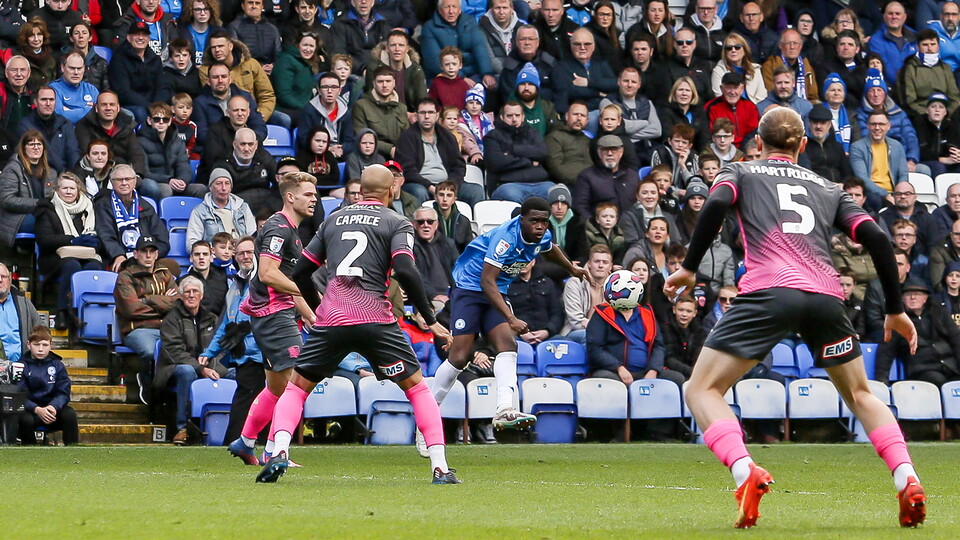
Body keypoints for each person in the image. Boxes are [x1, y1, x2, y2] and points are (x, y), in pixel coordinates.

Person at [664, 107, 925, 528]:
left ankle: (745, 471)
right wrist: (895, 309)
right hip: (825, 297)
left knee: (701, 389)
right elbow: (876, 237)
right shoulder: (829, 187)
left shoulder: (743, 172)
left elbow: (715, 202)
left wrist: (691, 266)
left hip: (770, 291)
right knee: (861, 395)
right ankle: (906, 477)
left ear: (758, 144)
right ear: (803, 146)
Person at [254, 164, 458, 484]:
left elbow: (301, 274)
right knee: (418, 390)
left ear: (360, 190)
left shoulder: (332, 220)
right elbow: (405, 270)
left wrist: (320, 307)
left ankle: (279, 449)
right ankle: (440, 467)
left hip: (332, 319)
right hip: (376, 318)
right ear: (391, 190)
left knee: (296, 388)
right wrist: (429, 319)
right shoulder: (396, 222)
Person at [423, 197, 587, 450]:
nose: (540, 226)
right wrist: (510, 317)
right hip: (470, 288)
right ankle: (427, 419)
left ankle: (504, 408)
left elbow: (549, 246)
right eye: (534, 221)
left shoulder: (540, 234)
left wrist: (571, 268)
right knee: (459, 356)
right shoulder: (505, 239)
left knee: (508, 345)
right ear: (521, 219)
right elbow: (486, 281)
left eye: (544, 221)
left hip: (496, 292)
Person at [227, 172, 317, 467]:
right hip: (274, 316)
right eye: (307, 194)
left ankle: (246, 441)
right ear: (290, 197)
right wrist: (307, 291)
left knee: (277, 388)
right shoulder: (278, 228)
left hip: (279, 314)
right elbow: (267, 274)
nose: (314, 199)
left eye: (315, 194)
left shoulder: (292, 230)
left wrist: (314, 316)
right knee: (296, 385)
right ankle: (275, 451)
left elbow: (290, 284)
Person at [198, 235, 261, 442]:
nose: (245, 256)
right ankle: (245, 443)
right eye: (241, 253)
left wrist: (249, 329)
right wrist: (209, 353)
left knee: (247, 402)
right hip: (243, 355)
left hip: (262, 355)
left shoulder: (265, 280)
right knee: (248, 401)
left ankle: (236, 442)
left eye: (249, 252)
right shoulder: (234, 286)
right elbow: (226, 325)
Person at [155, 276, 222, 444]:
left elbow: (220, 347)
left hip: (207, 366)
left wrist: (211, 366)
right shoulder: (172, 319)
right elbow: (174, 352)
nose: (191, 295)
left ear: (201, 295)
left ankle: (229, 428)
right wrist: (201, 369)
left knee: (237, 373)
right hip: (173, 368)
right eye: (187, 292)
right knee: (187, 371)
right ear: (181, 295)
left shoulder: (212, 318)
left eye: (195, 291)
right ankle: (182, 428)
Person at [114, 235, 178, 403]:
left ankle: (165, 391)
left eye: (152, 252)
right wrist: (162, 302)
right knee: (151, 352)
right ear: (135, 254)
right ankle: (147, 381)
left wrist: (148, 299)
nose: (148, 256)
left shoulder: (164, 273)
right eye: (144, 252)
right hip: (137, 329)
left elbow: (178, 304)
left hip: (166, 328)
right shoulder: (126, 276)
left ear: (157, 254)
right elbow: (131, 309)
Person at [34, 172, 102, 330]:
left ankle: (84, 313)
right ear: (57, 190)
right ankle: (62, 312)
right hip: (53, 257)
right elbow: (44, 241)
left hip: (85, 255)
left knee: (94, 267)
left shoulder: (88, 208)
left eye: (72, 188)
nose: (69, 191)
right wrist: (72, 240)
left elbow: (97, 236)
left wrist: (93, 242)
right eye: (64, 188)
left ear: (79, 191)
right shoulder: (46, 209)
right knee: (72, 265)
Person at [876, 278, 960, 387]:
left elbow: (956, 339)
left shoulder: (938, 312)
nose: (913, 298)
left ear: (925, 298)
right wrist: (881, 382)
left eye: (917, 294)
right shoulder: (897, 321)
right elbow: (885, 352)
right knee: (939, 381)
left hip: (950, 366)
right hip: (922, 370)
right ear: (902, 299)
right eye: (908, 294)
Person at [395, 98, 478, 206]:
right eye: (422, 113)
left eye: (430, 112)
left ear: (437, 115)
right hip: (420, 185)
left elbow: (458, 166)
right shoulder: (407, 137)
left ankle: (462, 223)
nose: (427, 116)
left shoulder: (447, 136)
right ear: (416, 116)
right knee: (419, 192)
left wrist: (450, 186)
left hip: (447, 185)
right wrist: (429, 186)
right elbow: (407, 170)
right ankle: (421, 222)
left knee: (475, 191)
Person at [94, 164, 170, 271]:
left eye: (128, 179)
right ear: (112, 182)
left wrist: (149, 255)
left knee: (172, 266)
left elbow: (162, 238)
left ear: (135, 181)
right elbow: (105, 235)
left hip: (147, 257)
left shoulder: (145, 206)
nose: (124, 183)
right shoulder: (103, 204)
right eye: (119, 180)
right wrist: (118, 255)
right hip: (119, 257)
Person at [17, 325, 77, 445]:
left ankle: (73, 450)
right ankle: (29, 450)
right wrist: (37, 409)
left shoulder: (58, 365)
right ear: (29, 344)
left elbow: (63, 392)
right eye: (36, 344)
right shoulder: (20, 366)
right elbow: (19, 394)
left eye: (44, 345)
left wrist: (54, 407)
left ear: (50, 345)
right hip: (31, 412)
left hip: (52, 412)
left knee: (69, 414)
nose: (40, 349)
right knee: (23, 418)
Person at [199, 32, 276, 122]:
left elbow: (266, 94)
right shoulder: (205, 70)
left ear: (230, 46)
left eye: (221, 46)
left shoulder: (251, 64)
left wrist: (259, 116)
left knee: (283, 120)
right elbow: (212, 98)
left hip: (253, 112)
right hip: (222, 116)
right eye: (213, 47)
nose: (217, 50)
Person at [484, 101, 552, 203]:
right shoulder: (493, 136)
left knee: (558, 193)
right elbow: (497, 162)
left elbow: (542, 152)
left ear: (523, 117)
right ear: (502, 117)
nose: (514, 119)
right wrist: (529, 161)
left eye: (517, 115)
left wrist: (513, 150)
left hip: (540, 184)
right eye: (510, 116)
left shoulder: (532, 132)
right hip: (508, 185)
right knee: (512, 197)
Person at [0, 131, 58, 249]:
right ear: (23, 148)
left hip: (43, 215)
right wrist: (37, 203)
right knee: (49, 221)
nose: (36, 148)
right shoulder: (12, 169)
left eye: (39, 144)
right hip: (17, 218)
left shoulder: (51, 172)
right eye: (31, 144)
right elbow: (6, 199)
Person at [138, 102, 205, 200]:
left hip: (175, 183)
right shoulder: (140, 141)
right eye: (157, 119)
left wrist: (182, 181)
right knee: (166, 189)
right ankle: (162, 215)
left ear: (170, 121)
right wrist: (168, 180)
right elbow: (144, 172)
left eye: (165, 119)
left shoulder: (177, 142)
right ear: (149, 120)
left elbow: (184, 167)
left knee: (201, 189)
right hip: (156, 184)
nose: (161, 122)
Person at [421, 0, 495, 85]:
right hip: (445, 77)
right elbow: (433, 60)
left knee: (489, 87)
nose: (451, 11)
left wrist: (487, 73)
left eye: (454, 7)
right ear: (440, 10)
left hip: (472, 73)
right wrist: (461, 78)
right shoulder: (429, 28)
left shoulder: (470, 22)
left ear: (460, 9)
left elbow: (480, 48)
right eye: (447, 7)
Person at [75, 92, 147, 179]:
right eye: (104, 105)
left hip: (125, 175)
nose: (108, 108)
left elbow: (136, 154)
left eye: (112, 104)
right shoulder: (84, 125)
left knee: (151, 187)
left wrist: (136, 175)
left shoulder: (127, 124)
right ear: (96, 108)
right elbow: (85, 154)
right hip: (97, 175)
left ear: (118, 108)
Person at [850, 110, 909, 210]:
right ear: (867, 126)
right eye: (873, 124)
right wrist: (886, 195)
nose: (877, 128)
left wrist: (900, 194)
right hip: (872, 193)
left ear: (888, 126)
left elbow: (903, 174)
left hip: (894, 193)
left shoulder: (896, 146)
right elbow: (862, 178)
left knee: (920, 208)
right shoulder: (857, 147)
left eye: (881, 124)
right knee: (876, 202)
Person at [108, 21, 163, 125]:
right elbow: (124, 92)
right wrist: (149, 106)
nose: (141, 38)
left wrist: (158, 105)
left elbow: (162, 86)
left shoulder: (155, 59)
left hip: (152, 103)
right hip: (130, 105)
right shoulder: (118, 60)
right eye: (136, 34)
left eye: (144, 35)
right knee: (141, 113)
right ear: (129, 37)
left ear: (149, 39)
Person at [552, 28, 617, 115]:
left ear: (593, 46)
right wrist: (598, 93)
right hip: (580, 114)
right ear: (571, 46)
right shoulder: (561, 67)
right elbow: (569, 91)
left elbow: (614, 84)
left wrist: (588, 83)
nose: (582, 47)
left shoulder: (602, 64)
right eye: (577, 44)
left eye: (587, 44)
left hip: (605, 111)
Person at [352, 66, 409, 160]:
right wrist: (390, 149)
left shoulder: (401, 107)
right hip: (373, 156)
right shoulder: (361, 105)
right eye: (380, 81)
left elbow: (407, 136)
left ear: (394, 83)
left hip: (399, 155)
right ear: (374, 83)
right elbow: (361, 137)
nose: (384, 85)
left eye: (388, 81)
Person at [561, 245, 613, 345]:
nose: (600, 265)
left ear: (610, 266)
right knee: (590, 335)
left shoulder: (615, 287)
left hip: (605, 332)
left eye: (605, 262)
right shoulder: (574, 283)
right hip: (575, 333)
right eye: (596, 261)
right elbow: (576, 321)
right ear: (589, 264)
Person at [297, 72, 355, 158]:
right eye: (325, 87)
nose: (330, 91)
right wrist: (327, 149)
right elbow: (303, 139)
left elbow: (350, 141)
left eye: (334, 87)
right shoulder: (309, 110)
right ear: (319, 90)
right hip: (315, 153)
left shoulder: (346, 112)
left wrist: (340, 149)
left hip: (339, 153)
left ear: (339, 91)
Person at [328, 0, 390, 75]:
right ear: (353, 2)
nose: (363, 2)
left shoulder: (382, 23)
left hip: (378, 72)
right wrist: (362, 69)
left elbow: (387, 51)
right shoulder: (340, 24)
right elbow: (339, 53)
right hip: (351, 73)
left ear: (373, 2)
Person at [760, 29, 819, 104]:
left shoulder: (806, 66)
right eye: (788, 43)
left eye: (795, 43)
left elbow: (813, 96)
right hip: (779, 106)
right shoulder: (770, 65)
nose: (792, 47)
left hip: (804, 108)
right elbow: (771, 93)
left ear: (800, 46)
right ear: (780, 45)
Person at [704, 72, 759, 148]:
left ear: (742, 89)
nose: (732, 92)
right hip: (720, 150)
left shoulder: (750, 107)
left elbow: (753, 133)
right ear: (721, 89)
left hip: (746, 150)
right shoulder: (711, 107)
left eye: (735, 87)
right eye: (728, 87)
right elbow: (708, 135)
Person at [0, 262, 42, 362]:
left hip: (23, 365)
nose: (0, 280)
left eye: (3, 277)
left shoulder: (24, 303)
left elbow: (41, 329)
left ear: (10, 280)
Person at [544, 101, 592, 187]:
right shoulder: (554, 137)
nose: (579, 118)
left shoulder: (589, 141)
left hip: (590, 185)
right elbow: (556, 170)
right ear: (566, 116)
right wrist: (585, 181)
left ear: (587, 120)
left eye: (583, 115)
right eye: (575, 114)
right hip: (566, 186)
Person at [869, 1, 917, 85]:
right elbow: (884, 70)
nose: (894, 17)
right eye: (890, 14)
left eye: (897, 14)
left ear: (904, 17)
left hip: (914, 86)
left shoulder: (915, 37)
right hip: (891, 88)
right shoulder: (876, 40)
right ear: (884, 16)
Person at [711, 32, 767, 104]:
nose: (733, 50)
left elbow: (762, 96)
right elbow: (719, 96)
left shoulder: (755, 69)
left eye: (737, 47)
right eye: (729, 48)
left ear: (744, 50)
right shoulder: (718, 70)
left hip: (754, 109)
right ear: (725, 52)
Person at [662, 295, 707, 382]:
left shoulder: (700, 332)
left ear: (694, 313)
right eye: (681, 310)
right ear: (674, 310)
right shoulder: (666, 329)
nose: (684, 314)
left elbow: (700, 356)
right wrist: (691, 372)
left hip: (693, 373)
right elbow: (669, 359)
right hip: (674, 373)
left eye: (689, 311)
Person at [802, 104, 851, 183]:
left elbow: (847, 173)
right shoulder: (803, 146)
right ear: (809, 124)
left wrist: (843, 184)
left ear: (829, 125)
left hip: (838, 188)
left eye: (823, 123)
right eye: (815, 122)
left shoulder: (837, 146)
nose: (818, 126)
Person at [227, 0, 282, 70]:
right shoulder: (234, 27)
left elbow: (278, 54)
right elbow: (234, 55)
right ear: (243, 6)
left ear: (262, 6)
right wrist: (258, 68)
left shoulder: (272, 28)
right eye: (250, 3)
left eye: (257, 3)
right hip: (245, 71)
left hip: (270, 72)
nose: (254, 6)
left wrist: (273, 66)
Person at [917, 93, 960, 178]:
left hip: (949, 162)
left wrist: (958, 155)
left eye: (941, 107)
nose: (937, 110)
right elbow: (921, 152)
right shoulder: (919, 124)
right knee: (938, 167)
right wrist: (942, 159)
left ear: (945, 112)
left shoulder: (951, 126)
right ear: (927, 110)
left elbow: (955, 145)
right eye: (933, 106)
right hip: (927, 162)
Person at [49, 52, 100, 124]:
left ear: (84, 69)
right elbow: (59, 117)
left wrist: (68, 111)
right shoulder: (53, 89)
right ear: (62, 68)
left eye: (79, 68)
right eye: (72, 68)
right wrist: (88, 109)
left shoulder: (91, 90)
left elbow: (100, 115)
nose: (76, 72)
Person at [430, 180, 475, 253]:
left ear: (454, 199)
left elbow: (468, 248)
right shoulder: (428, 220)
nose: (445, 199)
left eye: (449, 195)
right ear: (435, 197)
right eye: (441, 195)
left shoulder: (463, 221)